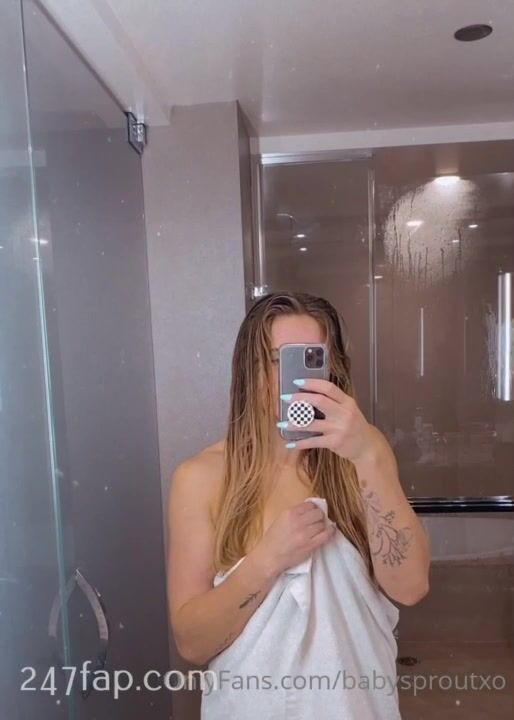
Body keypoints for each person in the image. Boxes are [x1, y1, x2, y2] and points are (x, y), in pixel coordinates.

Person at [167, 291, 431, 719]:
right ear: (249, 371)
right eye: (280, 360)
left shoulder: (363, 454)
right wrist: (267, 560)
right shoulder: (201, 478)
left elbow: (411, 587)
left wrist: (367, 456)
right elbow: (192, 643)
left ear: (334, 369)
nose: (299, 379)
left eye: (313, 358)